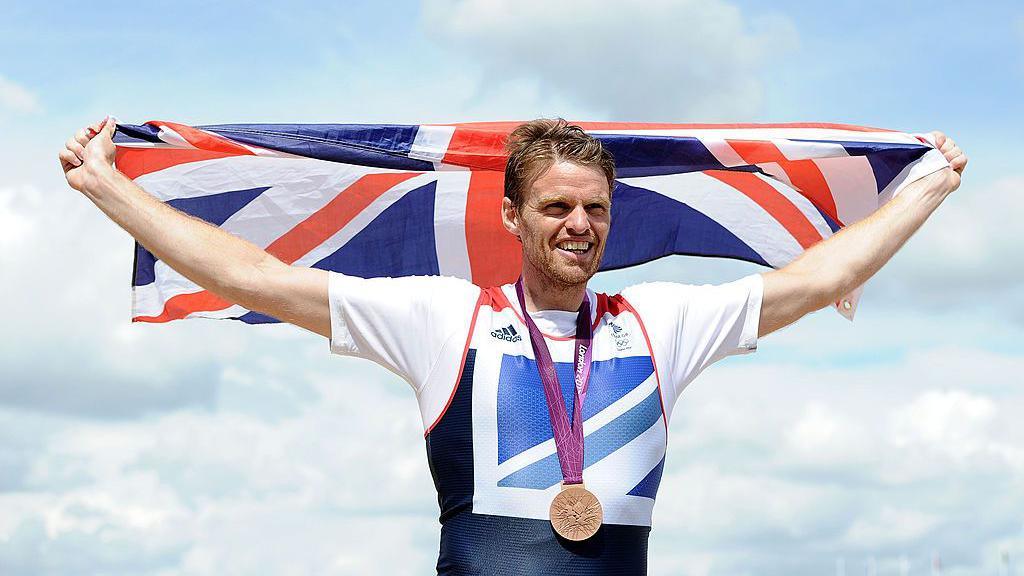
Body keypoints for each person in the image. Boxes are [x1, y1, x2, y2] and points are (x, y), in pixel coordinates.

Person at [60, 117, 967, 575]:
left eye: (596, 208)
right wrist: (109, 191)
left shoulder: (662, 323)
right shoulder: (440, 318)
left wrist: (924, 192)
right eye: (557, 206)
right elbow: (258, 276)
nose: (580, 225)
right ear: (513, 218)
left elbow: (809, 281)